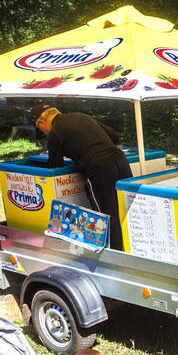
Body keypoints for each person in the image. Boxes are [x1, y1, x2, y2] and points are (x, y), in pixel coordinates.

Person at [34, 106, 131, 250]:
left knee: (105, 215)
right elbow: (114, 136)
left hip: (99, 169)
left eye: (41, 130)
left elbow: (54, 166)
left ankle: (114, 254)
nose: (45, 133)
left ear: (42, 122)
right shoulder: (81, 115)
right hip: (120, 161)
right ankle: (131, 248)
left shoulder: (56, 132)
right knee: (125, 209)